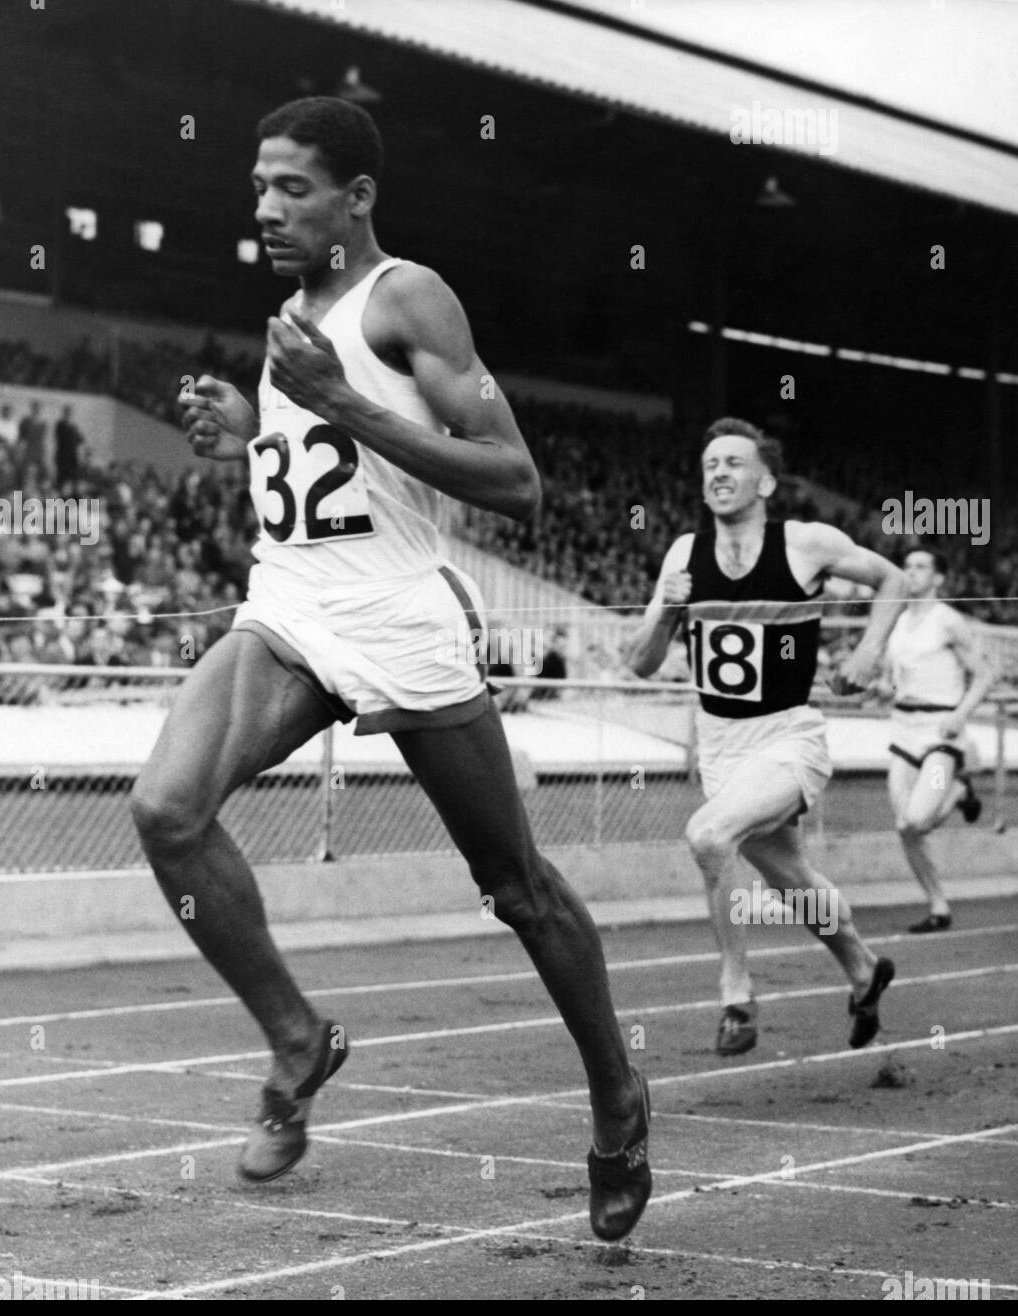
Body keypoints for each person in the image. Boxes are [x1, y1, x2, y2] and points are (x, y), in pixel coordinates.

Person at [131, 97, 649, 1241]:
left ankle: (615, 1090)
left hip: (403, 619)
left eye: (292, 188)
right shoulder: (290, 315)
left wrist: (337, 402)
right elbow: (324, 480)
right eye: (258, 185)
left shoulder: (410, 296)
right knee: (166, 812)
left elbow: (513, 482)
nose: (265, 208)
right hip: (291, 608)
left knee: (517, 888)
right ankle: (296, 1038)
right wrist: (251, 437)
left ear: (355, 198)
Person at [628, 418, 908, 1057]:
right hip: (720, 746)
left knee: (708, 834)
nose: (720, 473)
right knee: (792, 880)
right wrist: (667, 609)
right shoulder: (681, 554)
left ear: (766, 481)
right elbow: (640, 663)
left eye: (733, 462)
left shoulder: (806, 543)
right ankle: (864, 970)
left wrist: (868, 652)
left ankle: (736, 994)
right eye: (710, 466)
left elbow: (893, 579)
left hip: (788, 736)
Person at [879, 547, 995, 934]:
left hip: (940, 737)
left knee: (917, 817)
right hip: (903, 731)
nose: (910, 573)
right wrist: (881, 687)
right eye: (907, 566)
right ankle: (938, 906)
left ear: (939, 578)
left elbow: (983, 675)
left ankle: (959, 791)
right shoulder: (896, 622)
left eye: (920, 567)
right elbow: (892, 678)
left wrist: (960, 715)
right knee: (905, 827)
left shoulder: (948, 622)